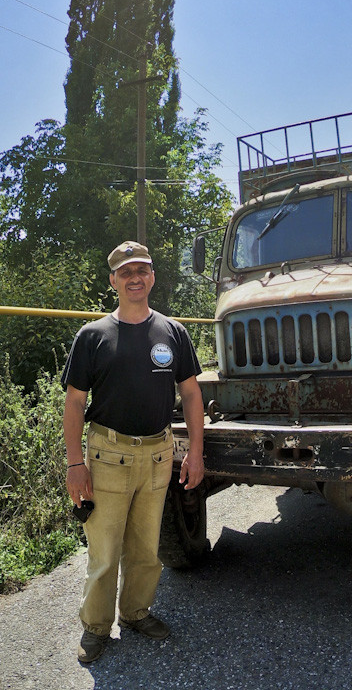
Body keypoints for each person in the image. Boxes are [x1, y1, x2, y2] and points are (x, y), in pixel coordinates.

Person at [62, 241, 205, 664]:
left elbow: (192, 394)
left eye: (142, 269)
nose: (135, 277)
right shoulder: (92, 336)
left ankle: (136, 612)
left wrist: (194, 452)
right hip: (107, 455)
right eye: (126, 272)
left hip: (159, 455)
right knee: (104, 550)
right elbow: (73, 403)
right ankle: (95, 627)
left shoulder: (173, 332)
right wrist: (75, 463)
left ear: (152, 277)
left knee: (146, 547)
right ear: (114, 281)